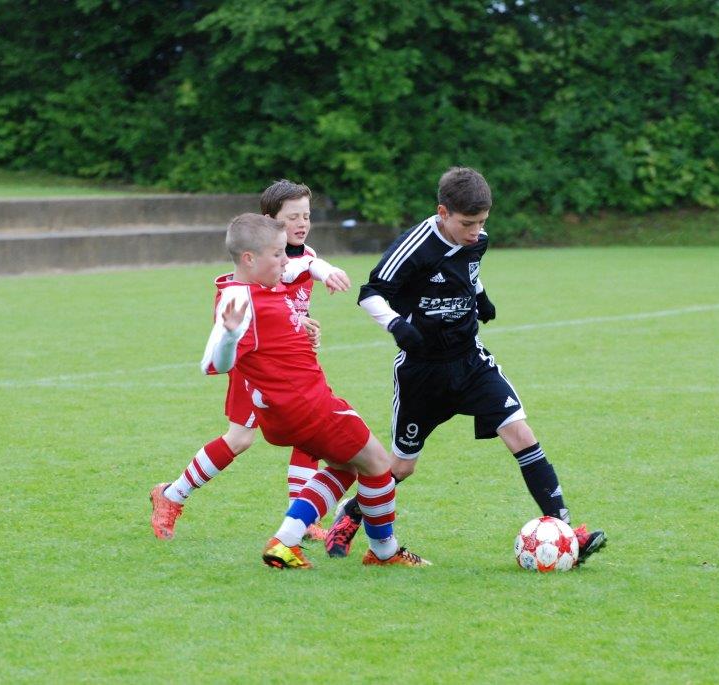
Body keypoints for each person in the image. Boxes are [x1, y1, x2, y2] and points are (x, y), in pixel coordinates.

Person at [324, 166, 606, 562]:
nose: (476, 232)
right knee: (401, 468)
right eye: (467, 223)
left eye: (482, 222)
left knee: (521, 434)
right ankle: (352, 514)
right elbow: (370, 292)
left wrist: (481, 297)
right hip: (422, 372)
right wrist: (397, 325)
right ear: (443, 212)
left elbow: (469, 271)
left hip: (471, 361)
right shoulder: (415, 247)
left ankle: (565, 531)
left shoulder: (477, 241)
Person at [155, 213, 428, 568]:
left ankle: (287, 540)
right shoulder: (239, 300)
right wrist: (229, 336)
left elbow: (298, 276)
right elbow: (214, 363)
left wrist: (304, 314)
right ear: (249, 258)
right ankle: (383, 552)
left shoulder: (260, 284)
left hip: (287, 412)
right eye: (278, 254)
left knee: (346, 466)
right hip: (308, 405)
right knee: (378, 464)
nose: (285, 261)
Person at [149, 181, 352, 543]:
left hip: (289, 363)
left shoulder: (299, 254)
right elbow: (294, 274)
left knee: (311, 427)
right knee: (240, 438)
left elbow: (290, 295)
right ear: (269, 222)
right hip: (255, 366)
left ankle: (301, 518)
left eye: (306, 216)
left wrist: (303, 324)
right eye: (292, 217)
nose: (301, 223)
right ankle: (172, 494)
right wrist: (323, 269)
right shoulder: (272, 264)